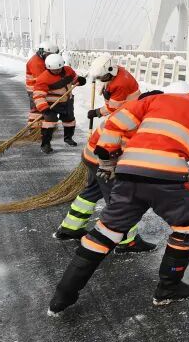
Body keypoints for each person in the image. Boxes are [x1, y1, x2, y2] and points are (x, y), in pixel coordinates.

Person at [48, 73, 189, 314]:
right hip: (167, 181)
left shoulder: (159, 99)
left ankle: (62, 296)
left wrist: (107, 156)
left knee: (106, 232)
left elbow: (116, 122)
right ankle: (168, 288)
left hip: (128, 173)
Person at [53, 90, 163, 253]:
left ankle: (70, 228)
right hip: (105, 161)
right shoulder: (138, 122)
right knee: (121, 200)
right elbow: (131, 152)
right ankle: (127, 241)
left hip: (92, 156)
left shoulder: (130, 110)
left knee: (92, 192)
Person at [32, 53, 86, 154]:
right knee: (49, 122)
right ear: (48, 68)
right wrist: (44, 108)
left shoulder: (68, 70)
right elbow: (38, 95)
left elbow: (74, 79)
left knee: (69, 120)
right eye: (54, 70)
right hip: (51, 105)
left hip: (67, 101)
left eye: (59, 69)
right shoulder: (44, 78)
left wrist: (79, 80)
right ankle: (45, 144)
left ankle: (68, 138)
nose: (57, 71)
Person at [86, 56, 141, 120]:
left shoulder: (120, 84)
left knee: (112, 124)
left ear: (111, 71)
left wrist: (97, 112)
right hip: (123, 100)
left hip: (130, 109)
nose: (101, 80)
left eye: (102, 77)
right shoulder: (115, 69)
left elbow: (113, 107)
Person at [26, 42, 57, 127]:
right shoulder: (36, 63)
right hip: (35, 90)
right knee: (37, 110)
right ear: (43, 53)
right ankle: (34, 127)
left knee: (44, 109)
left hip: (41, 89)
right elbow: (42, 79)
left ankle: (43, 126)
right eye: (50, 55)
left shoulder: (42, 59)